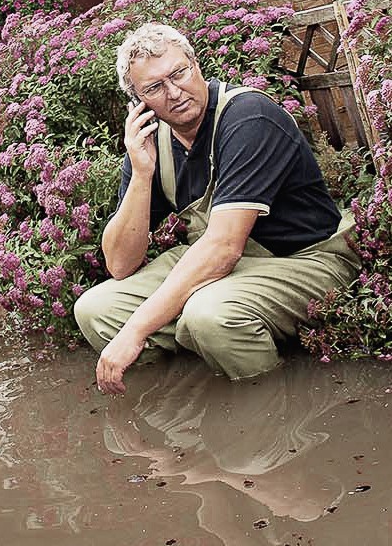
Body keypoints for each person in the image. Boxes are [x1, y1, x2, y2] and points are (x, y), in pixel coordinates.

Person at [73, 23, 359, 395]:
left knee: (210, 315)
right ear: (139, 103)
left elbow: (223, 248)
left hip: (307, 258)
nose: (174, 93)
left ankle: (276, 407)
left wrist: (136, 331)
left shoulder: (248, 117)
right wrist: (142, 175)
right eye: (155, 88)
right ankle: (192, 398)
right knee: (96, 309)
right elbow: (120, 264)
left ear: (196, 64)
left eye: (179, 73)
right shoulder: (150, 141)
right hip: (227, 264)